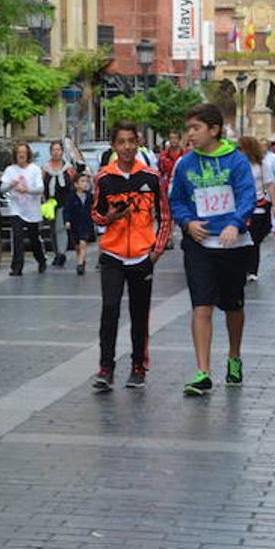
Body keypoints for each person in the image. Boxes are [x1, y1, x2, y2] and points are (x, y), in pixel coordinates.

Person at [168, 104, 257, 397]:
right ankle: (203, 372)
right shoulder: (185, 164)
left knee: (233, 306)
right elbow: (177, 199)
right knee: (201, 305)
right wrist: (187, 222)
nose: (189, 134)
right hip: (199, 244)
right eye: (188, 128)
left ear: (214, 129)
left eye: (195, 128)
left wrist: (235, 223)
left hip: (232, 244)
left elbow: (247, 196)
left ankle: (234, 356)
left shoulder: (236, 161)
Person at [89, 121, 171, 391]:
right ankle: (105, 368)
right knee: (109, 309)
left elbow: (165, 217)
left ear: (138, 143)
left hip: (141, 256)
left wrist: (154, 253)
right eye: (121, 142)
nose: (126, 147)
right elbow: (96, 214)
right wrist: (109, 217)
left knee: (139, 313)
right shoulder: (104, 178)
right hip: (112, 253)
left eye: (131, 141)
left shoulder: (150, 177)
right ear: (114, 145)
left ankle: (138, 366)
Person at [0, 142, 47, 275]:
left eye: (24, 153)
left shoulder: (34, 169)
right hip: (16, 209)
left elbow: (40, 188)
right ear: (15, 155)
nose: (22, 155)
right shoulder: (10, 170)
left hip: (32, 210)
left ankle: (41, 259)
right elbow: (2, 189)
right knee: (17, 237)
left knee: (34, 238)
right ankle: (17, 267)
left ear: (28, 155)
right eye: (19, 153)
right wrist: (11, 184)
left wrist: (27, 190)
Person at [238, 136, 275, 283]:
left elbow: (270, 184)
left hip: (257, 207)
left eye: (241, 148)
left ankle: (252, 270)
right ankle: (242, 267)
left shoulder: (261, 165)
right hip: (240, 207)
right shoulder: (237, 165)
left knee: (254, 240)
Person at [42, 141, 77, 268]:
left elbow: (73, 185)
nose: (56, 152)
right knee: (53, 230)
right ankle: (57, 253)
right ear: (50, 152)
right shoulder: (45, 168)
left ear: (62, 151)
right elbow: (42, 186)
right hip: (50, 203)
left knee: (60, 228)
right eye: (54, 150)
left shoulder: (68, 168)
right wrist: (43, 200)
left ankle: (62, 254)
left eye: (58, 150)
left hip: (64, 202)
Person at [63, 171, 97, 275]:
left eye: (87, 181)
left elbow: (95, 208)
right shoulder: (71, 197)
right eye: (82, 181)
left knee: (83, 243)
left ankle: (80, 264)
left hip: (86, 224)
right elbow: (66, 210)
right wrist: (67, 221)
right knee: (77, 246)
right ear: (76, 184)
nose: (85, 184)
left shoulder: (90, 197)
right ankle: (81, 259)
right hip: (75, 224)